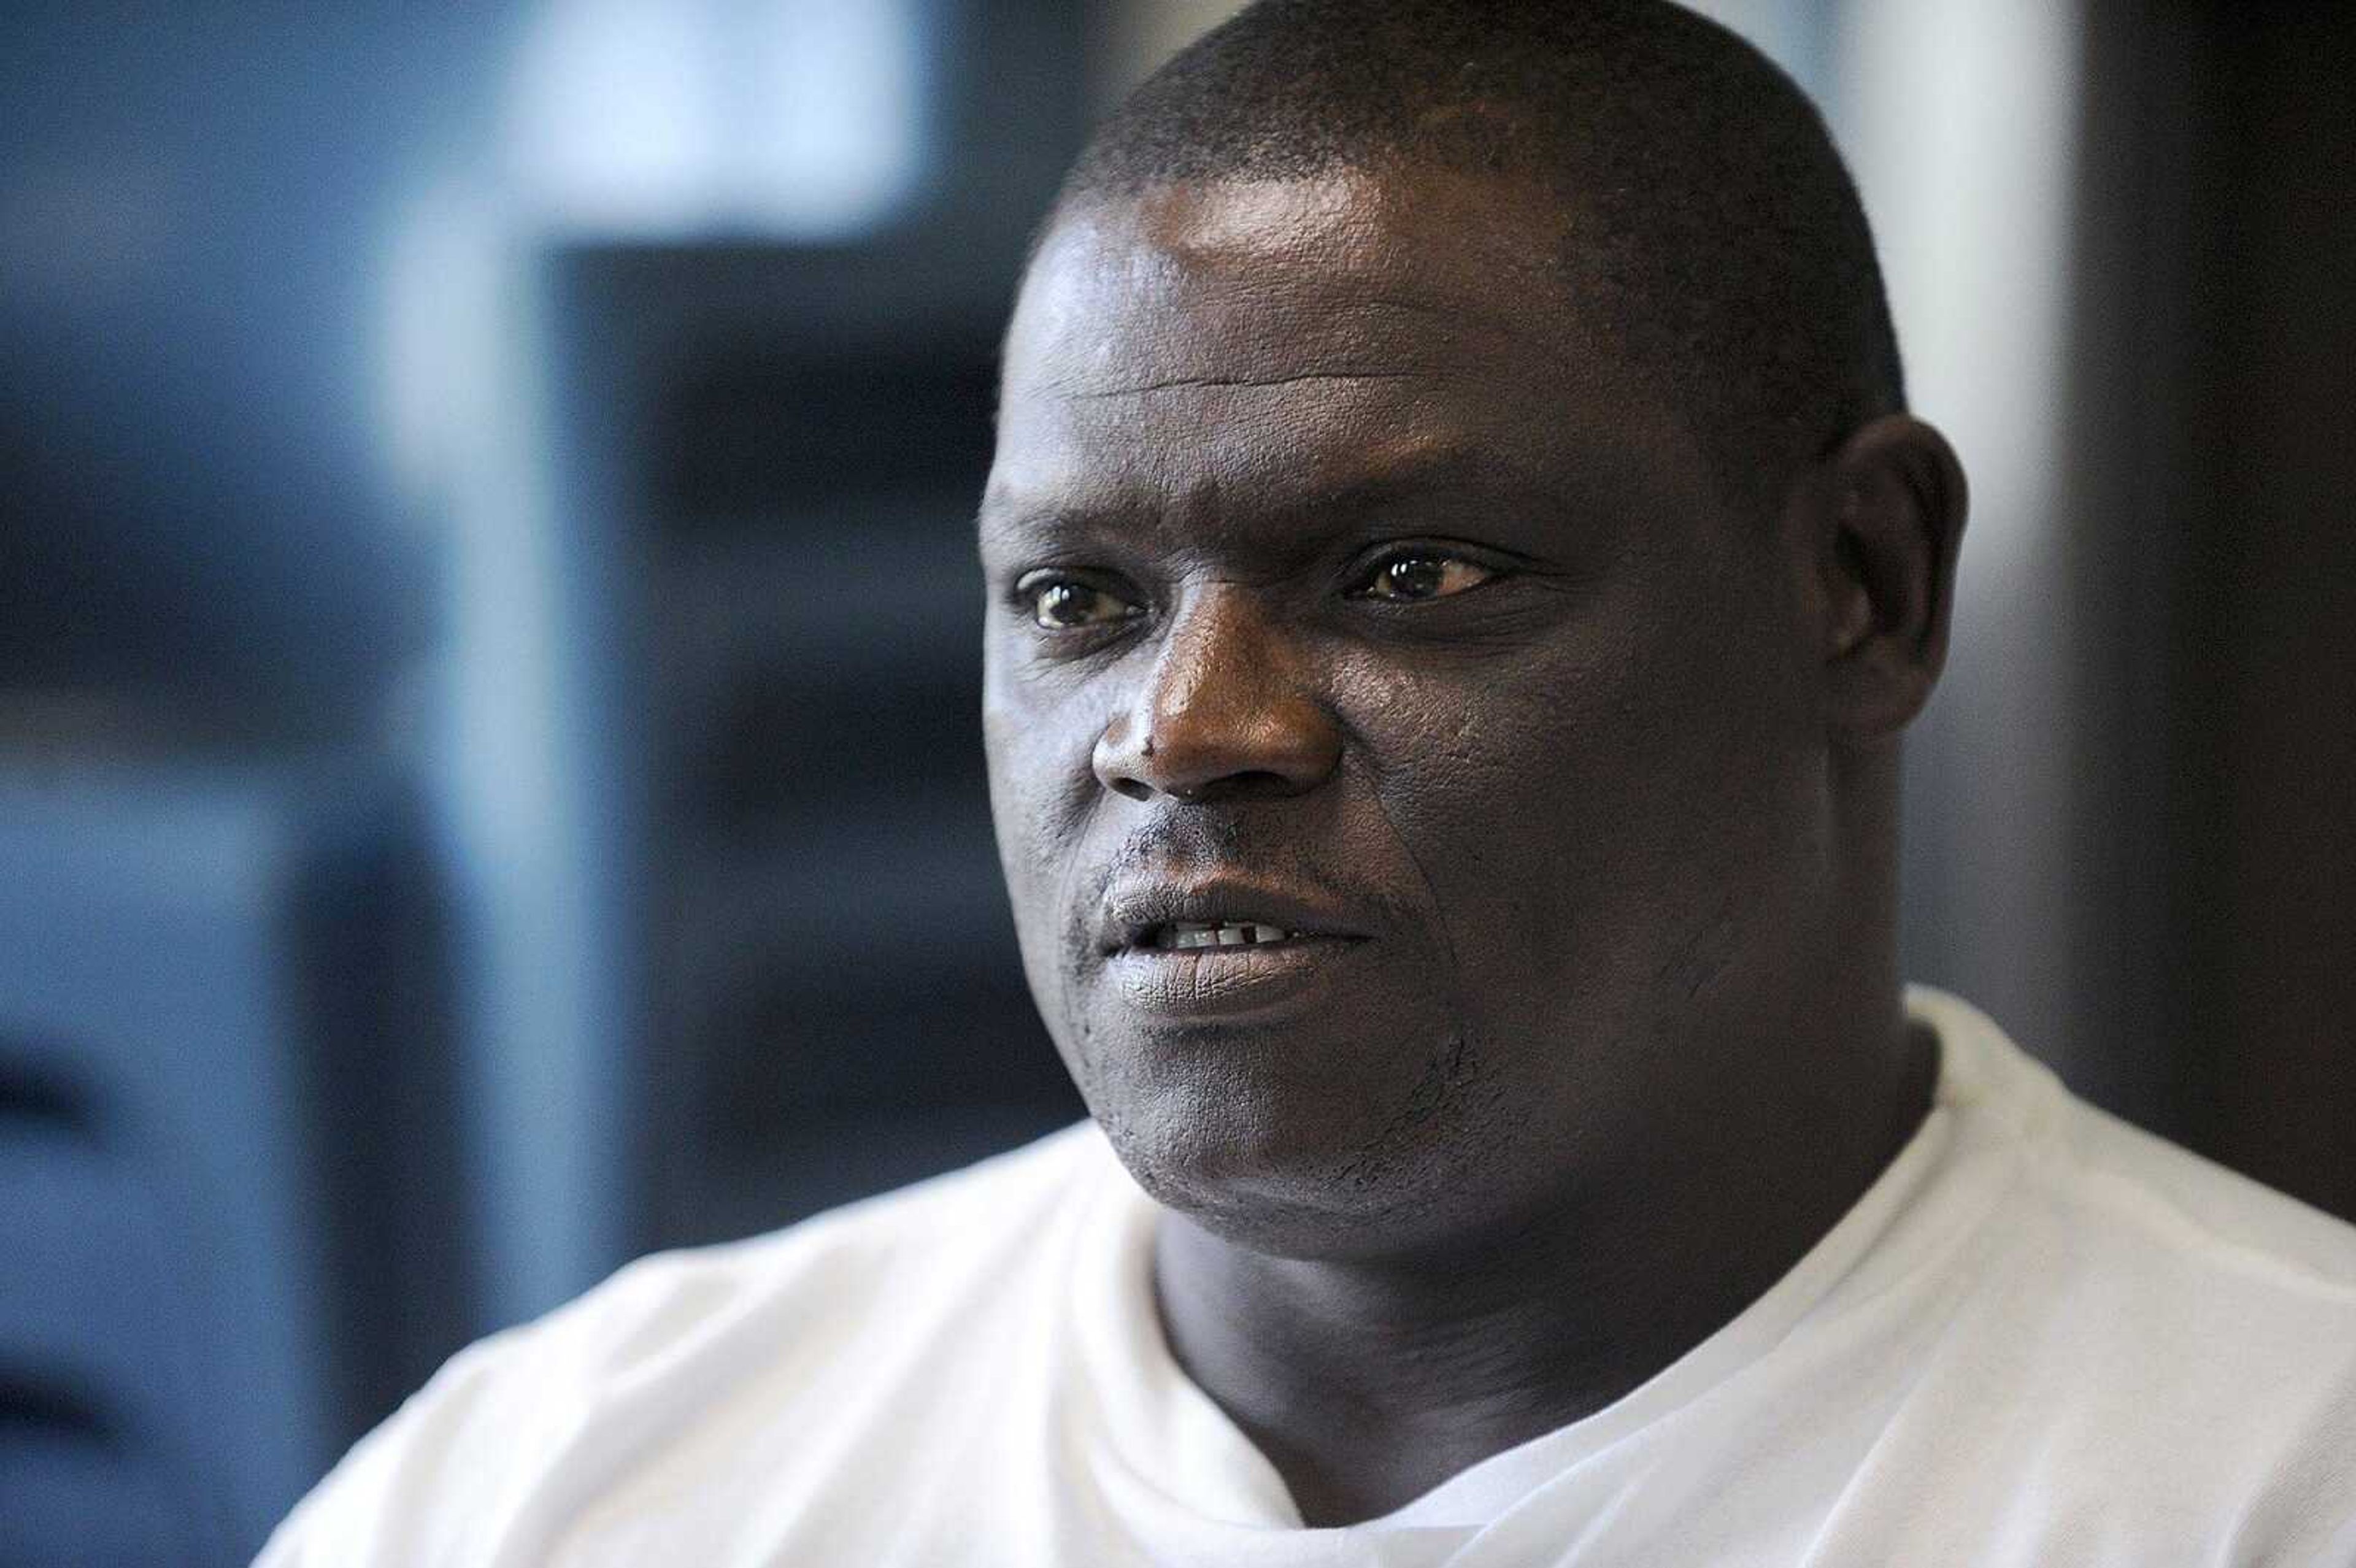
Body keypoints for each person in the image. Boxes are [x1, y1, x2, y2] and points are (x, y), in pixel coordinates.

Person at [259, 1, 2356, 1562]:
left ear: (1862, 590)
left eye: (1412, 574)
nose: (1181, 728)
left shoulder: (2273, 1465)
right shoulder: (564, 1487)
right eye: (1078, 595)